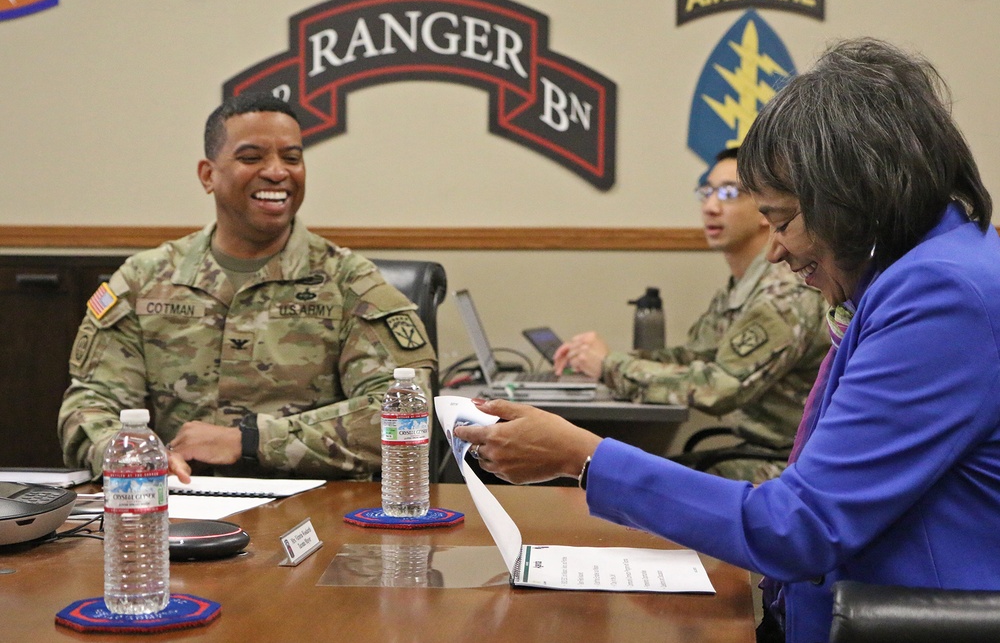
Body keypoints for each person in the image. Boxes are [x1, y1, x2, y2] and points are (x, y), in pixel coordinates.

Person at [454, 38, 1000, 643]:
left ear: (855, 199)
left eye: (784, 221)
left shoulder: (941, 295)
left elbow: (800, 526)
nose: (776, 251)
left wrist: (581, 457)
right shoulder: (932, 271)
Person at [58, 93, 437, 483]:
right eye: (251, 157)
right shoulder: (145, 280)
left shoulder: (348, 283)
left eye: (292, 158)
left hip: (314, 517)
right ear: (208, 175)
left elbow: (405, 416)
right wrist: (128, 454)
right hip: (178, 508)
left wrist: (252, 441)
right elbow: (90, 404)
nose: (277, 172)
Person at [554, 147, 829, 482]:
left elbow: (721, 387)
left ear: (764, 209)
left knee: (636, 481)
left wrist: (611, 367)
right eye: (706, 191)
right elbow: (695, 355)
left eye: (728, 193)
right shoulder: (744, 284)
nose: (710, 207)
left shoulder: (783, 293)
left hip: (791, 468)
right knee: (636, 474)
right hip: (757, 451)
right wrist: (604, 361)